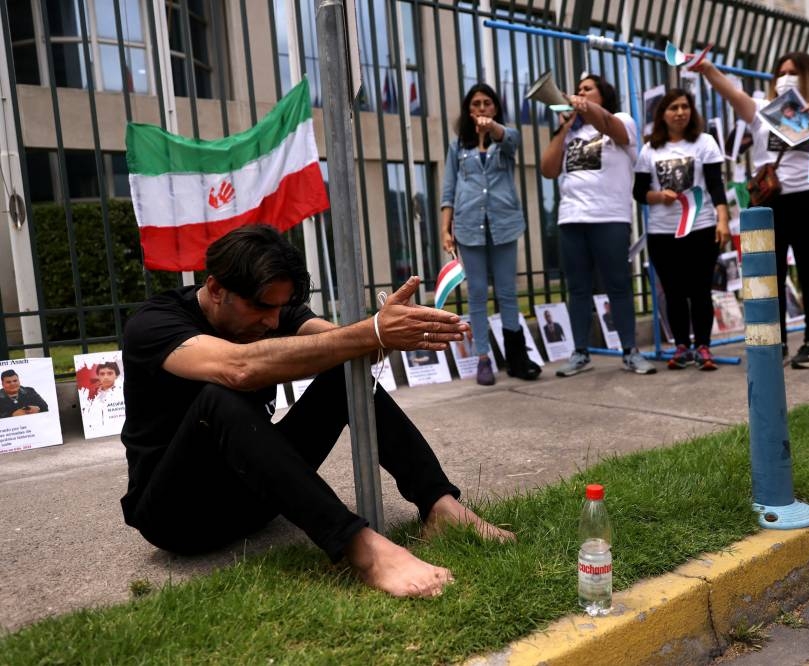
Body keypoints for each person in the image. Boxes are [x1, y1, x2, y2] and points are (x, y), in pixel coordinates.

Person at [119, 225, 515, 599]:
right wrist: (369, 332)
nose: (272, 321)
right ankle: (363, 550)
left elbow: (347, 347)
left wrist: (386, 331)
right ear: (216, 288)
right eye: (260, 307)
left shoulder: (277, 313)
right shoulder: (154, 323)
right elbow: (237, 369)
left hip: (254, 502)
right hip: (177, 517)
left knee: (343, 371)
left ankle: (439, 507)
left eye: (280, 308)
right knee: (217, 398)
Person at [692, 52, 809, 369]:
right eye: (781, 72)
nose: (786, 78)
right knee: (770, 274)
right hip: (770, 199)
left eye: (794, 73)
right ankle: (777, 342)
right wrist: (707, 69)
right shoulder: (762, 109)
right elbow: (732, 94)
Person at [540, 74, 656, 377]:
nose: (580, 93)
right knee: (577, 289)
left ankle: (630, 351)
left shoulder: (621, 119)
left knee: (618, 286)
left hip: (609, 217)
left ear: (604, 94)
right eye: (578, 90)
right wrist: (566, 124)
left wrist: (586, 109)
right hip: (571, 218)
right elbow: (548, 169)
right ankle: (580, 352)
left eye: (587, 89)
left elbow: (612, 128)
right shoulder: (570, 131)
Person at [440, 83, 539, 387]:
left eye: (487, 103)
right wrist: (446, 228)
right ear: (468, 110)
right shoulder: (459, 146)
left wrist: (493, 127)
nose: (481, 108)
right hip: (469, 227)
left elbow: (510, 141)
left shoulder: (506, 138)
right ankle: (483, 358)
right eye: (476, 104)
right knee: (478, 295)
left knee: (508, 293)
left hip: (504, 224)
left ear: (495, 107)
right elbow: (449, 189)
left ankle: (517, 359)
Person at [633, 89, 731, 371]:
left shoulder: (705, 142)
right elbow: (639, 192)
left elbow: (715, 185)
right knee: (673, 292)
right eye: (673, 107)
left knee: (700, 291)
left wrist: (722, 221)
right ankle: (681, 347)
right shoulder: (649, 149)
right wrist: (658, 196)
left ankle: (703, 347)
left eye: (684, 107)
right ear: (662, 114)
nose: (680, 112)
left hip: (700, 228)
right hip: (662, 232)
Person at [81, 361, 124, 429]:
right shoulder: (90, 396)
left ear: (116, 375)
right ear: (98, 376)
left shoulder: (123, 392)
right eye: (102, 374)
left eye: (110, 373)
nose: (106, 377)